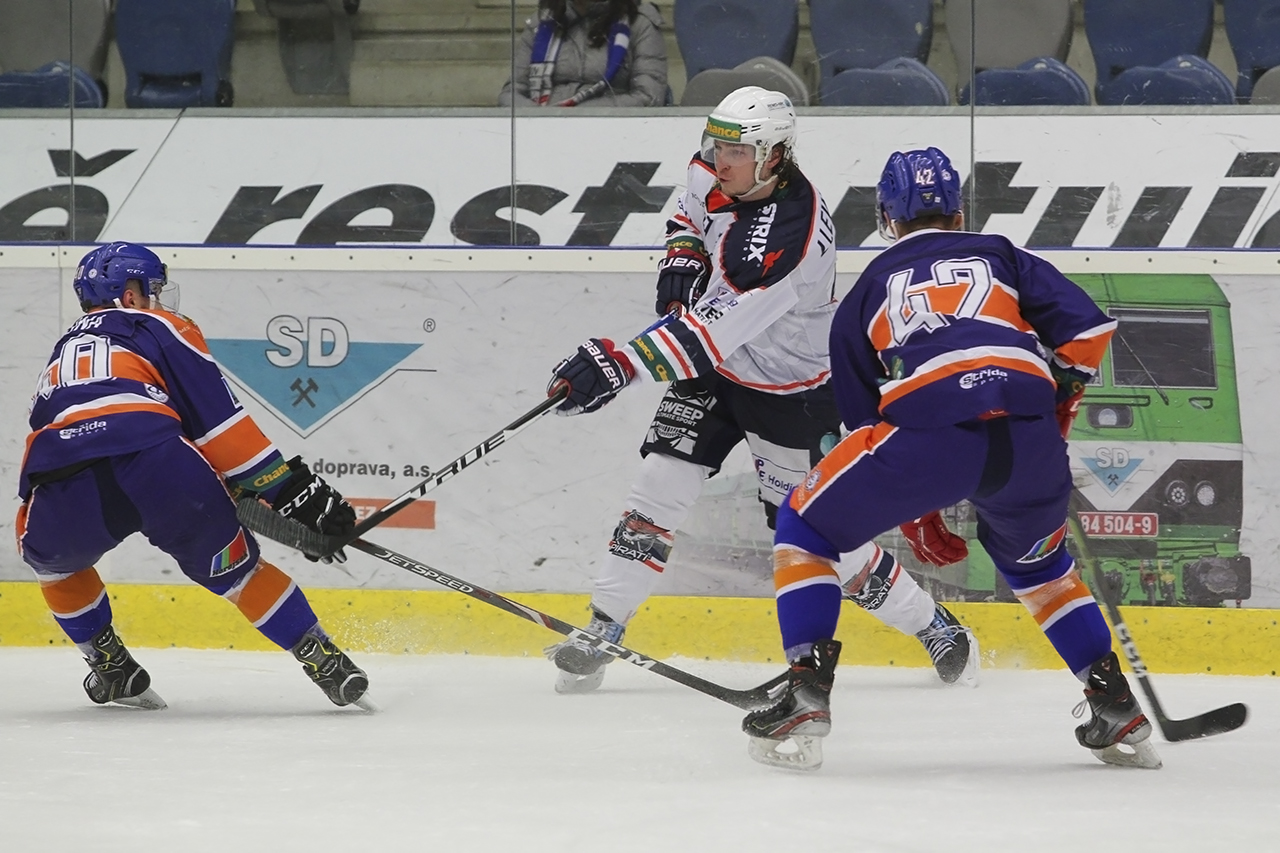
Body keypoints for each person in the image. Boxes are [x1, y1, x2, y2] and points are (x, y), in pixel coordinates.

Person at [542, 87, 980, 696]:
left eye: (735, 152)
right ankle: (604, 626)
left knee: (819, 537)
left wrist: (619, 364)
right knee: (658, 487)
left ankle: (933, 625)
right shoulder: (722, 168)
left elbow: (707, 333)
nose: (718, 161)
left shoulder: (788, 237)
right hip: (720, 373)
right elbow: (689, 208)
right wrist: (683, 253)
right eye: (715, 145)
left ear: (773, 155)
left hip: (790, 391)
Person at [739, 147, 1161, 772]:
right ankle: (1114, 701)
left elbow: (866, 427)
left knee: (805, 525)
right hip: (1029, 439)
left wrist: (917, 508)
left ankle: (805, 688)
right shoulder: (1001, 254)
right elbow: (1088, 333)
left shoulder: (868, 289)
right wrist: (1058, 409)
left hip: (930, 431)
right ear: (959, 213)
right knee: (1043, 570)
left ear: (888, 219)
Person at [16, 242, 369, 711]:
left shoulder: (62, 353)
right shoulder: (160, 326)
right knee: (240, 575)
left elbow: (71, 430)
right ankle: (322, 657)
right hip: (158, 460)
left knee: (55, 565)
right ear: (129, 294)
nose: (158, 300)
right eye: (152, 289)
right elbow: (217, 423)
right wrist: (291, 491)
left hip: (64, 472)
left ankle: (110, 666)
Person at [499, 0, 668, 107]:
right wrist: (540, 118)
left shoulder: (639, 22)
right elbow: (511, 93)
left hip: (613, 132)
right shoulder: (543, 23)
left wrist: (581, 114)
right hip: (543, 130)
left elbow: (649, 97)